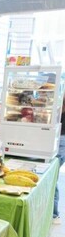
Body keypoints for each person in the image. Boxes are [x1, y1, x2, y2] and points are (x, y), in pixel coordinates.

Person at [53, 96, 65, 224]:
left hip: (60, 141)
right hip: (58, 140)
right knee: (52, 176)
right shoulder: (59, 108)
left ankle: (54, 214)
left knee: (52, 176)